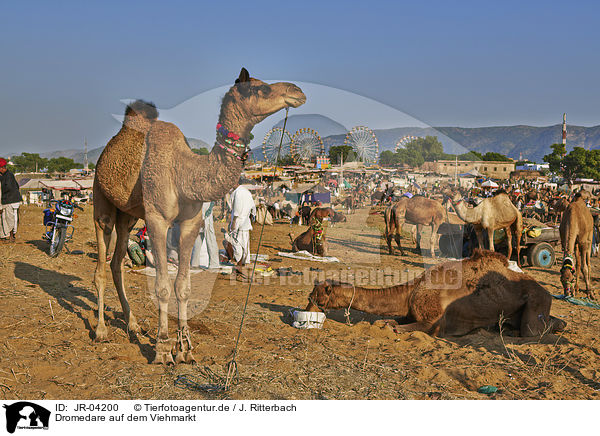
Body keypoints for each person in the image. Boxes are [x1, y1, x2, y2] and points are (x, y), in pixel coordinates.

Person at [224, 184, 256, 268]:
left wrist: (233, 223)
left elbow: (236, 211)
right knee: (245, 243)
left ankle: (238, 261)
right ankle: (245, 261)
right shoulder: (246, 192)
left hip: (238, 221)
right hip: (246, 222)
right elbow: (253, 208)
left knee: (237, 242)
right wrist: (250, 218)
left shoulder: (237, 193)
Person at [0, 159, 23, 242]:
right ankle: (8, 235)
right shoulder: (7, 175)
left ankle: (12, 236)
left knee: (10, 218)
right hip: (12, 199)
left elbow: (8, 188)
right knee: (10, 218)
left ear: (2, 168)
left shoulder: (8, 176)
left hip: (11, 200)